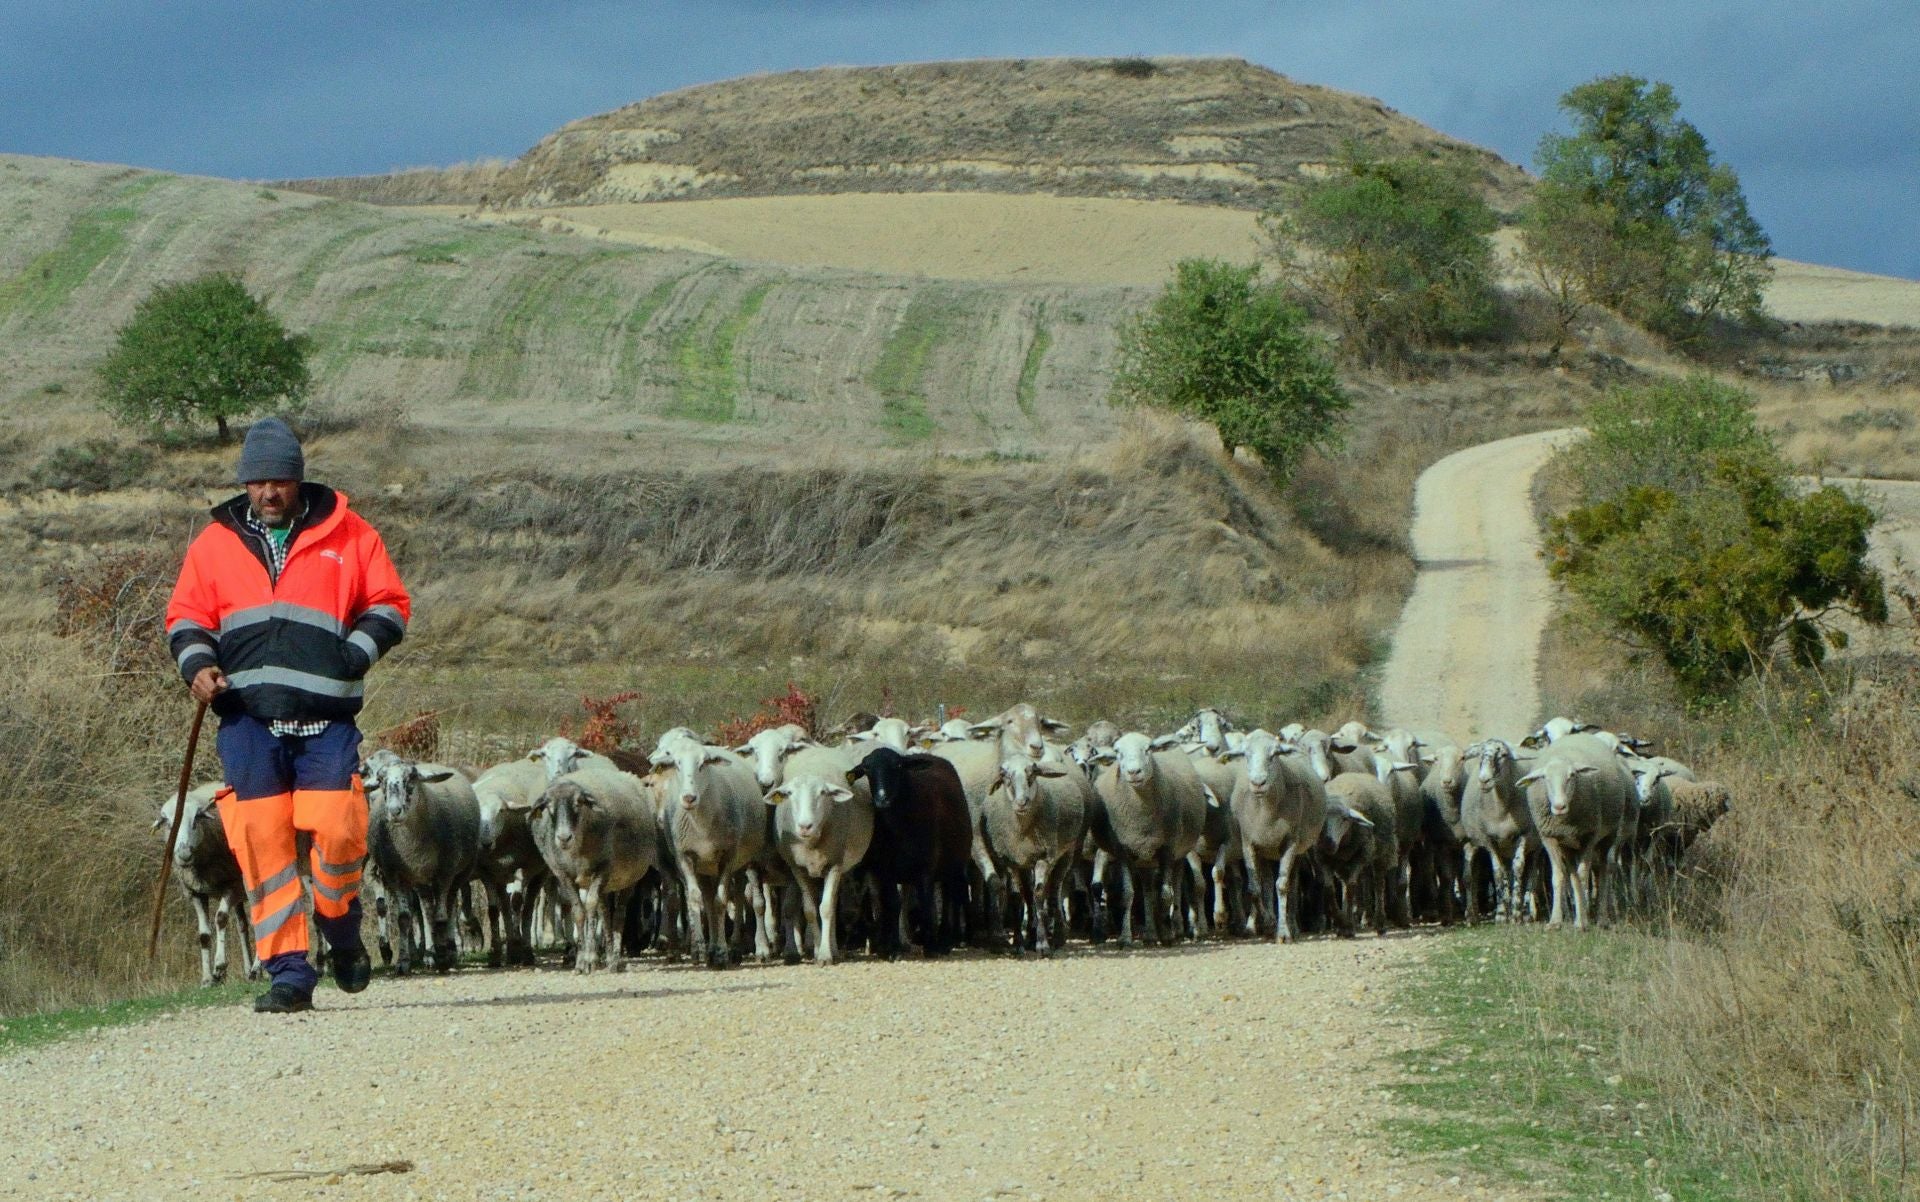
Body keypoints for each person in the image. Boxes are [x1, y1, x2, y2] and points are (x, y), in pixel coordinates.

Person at [165, 418, 411, 1013]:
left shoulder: (350, 535)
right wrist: (198, 667)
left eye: (278, 481)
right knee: (263, 846)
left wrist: (354, 654)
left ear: (298, 480)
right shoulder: (214, 543)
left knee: (338, 827)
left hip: (325, 717)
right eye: (257, 482)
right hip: (245, 718)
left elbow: (391, 606)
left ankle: (340, 924)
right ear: (244, 484)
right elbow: (185, 618)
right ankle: (289, 975)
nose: (267, 493)